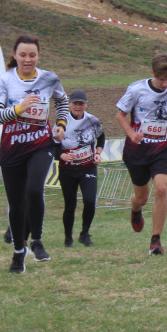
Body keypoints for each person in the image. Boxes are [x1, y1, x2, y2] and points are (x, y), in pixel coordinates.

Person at [0, 34, 68, 274]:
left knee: (34, 190)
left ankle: (37, 241)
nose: (28, 59)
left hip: (40, 145)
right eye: (23, 55)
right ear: (14, 55)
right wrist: (19, 108)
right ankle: (18, 252)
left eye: (32, 55)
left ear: (38, 56)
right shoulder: (5, 81)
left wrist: (61, 124)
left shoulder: (49, 79)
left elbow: (62, 103)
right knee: (16, 204)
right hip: (12, 149)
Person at [116, 52, 167, 256]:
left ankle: (155, 240)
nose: (166, 84)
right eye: (162, 79)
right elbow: (120, 115)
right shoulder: (136, 89)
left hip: (162, 150)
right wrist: (131, 134)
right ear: (152, 73)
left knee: (161, 189)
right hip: (137, 151)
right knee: (142, 197)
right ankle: (136, 209)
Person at [59, 89, 105, 247]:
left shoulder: (92, 120)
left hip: (88, 167)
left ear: (86, 104)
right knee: (70, 204)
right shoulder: (62, 121)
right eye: (75, 103)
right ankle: (67, 237)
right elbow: (52, 145)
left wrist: (98, 153)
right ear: (69, 104)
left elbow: (101, 137)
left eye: (81, 103)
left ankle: (84, 234)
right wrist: (61, 155)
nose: (78, 106)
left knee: (90, 200)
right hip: (68, 169)